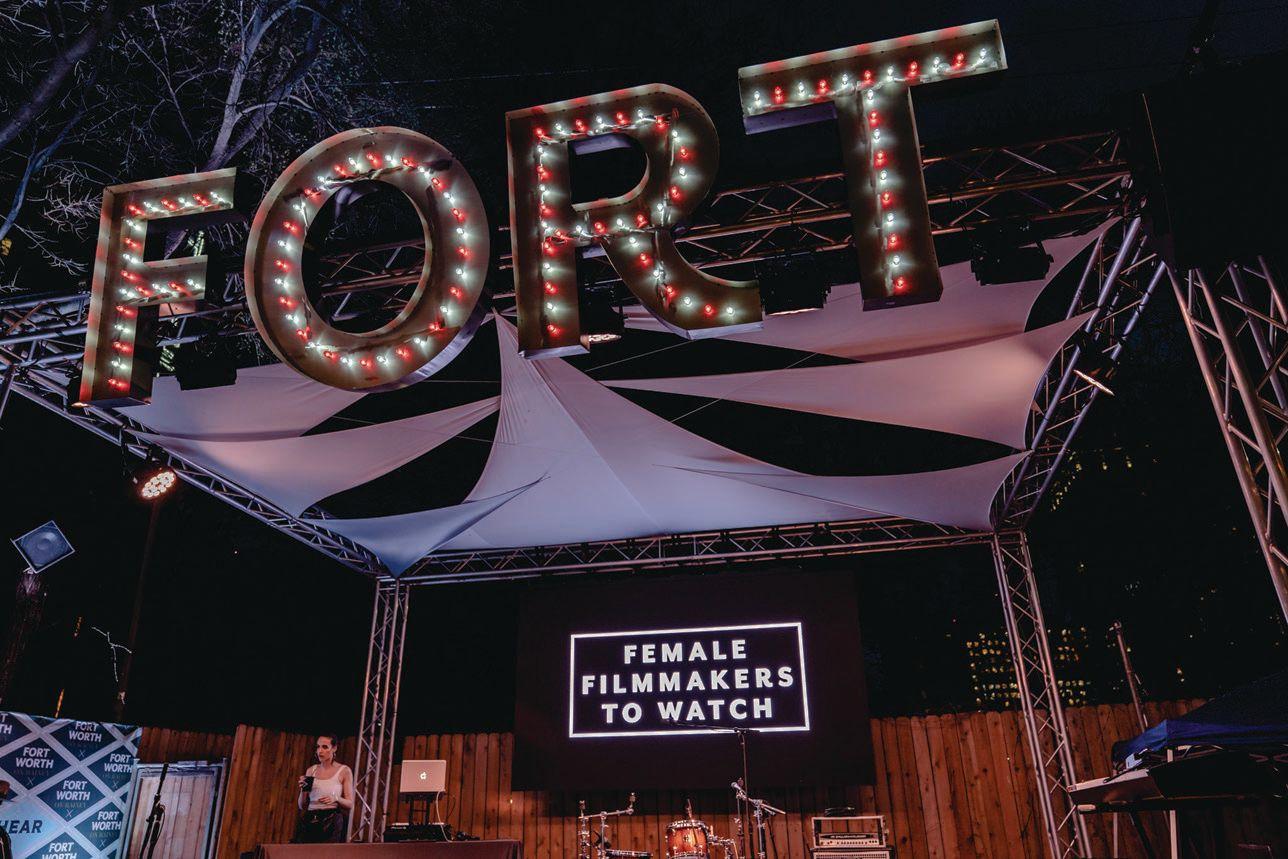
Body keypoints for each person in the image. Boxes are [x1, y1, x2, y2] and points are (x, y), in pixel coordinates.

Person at [293, 733, 353, 843]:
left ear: (334, 748)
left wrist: (336, 798)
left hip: (331, 820)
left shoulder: (344, 771)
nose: (320, 751)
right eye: (318, 747)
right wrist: (302, 789)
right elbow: (302, 805)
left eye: (325, 747)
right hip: (310, 819)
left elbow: (350, 803)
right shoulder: (311, 771)